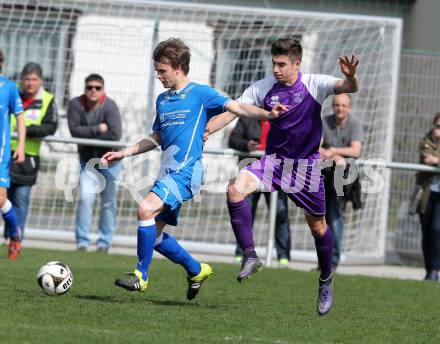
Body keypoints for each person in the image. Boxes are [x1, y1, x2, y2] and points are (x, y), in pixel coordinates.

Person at [101, 38, 287, 300]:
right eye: (157, 70)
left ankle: (141, 276)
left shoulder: (201, 94)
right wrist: (124, 152)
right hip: (167, 174)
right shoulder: (163, 100)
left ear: (178, 67)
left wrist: (268, 114)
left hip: (188, 173)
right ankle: (196, 270)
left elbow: (236, 107)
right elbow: (157, 137)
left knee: (144, 209)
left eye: (162, 70)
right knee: (153, 236)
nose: (159, 76)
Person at [205, 37, 359, 315]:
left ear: (297, 63)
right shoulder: (263, 87)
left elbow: (348, 88)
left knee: (318, 228)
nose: (276, 69)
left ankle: (325, 279)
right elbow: (232, 112)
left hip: (306, 168)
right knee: (234, 189)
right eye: (273, 63)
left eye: (282, 64)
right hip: (273, 163)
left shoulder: (314, 84)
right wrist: (207, 130)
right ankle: (250, 256)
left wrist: (351, 77)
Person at [67, 74, 122, 252]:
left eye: (97, 87)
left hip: (110, 163)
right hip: (87, 162)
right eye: (90, 87)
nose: (93, 90)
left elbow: (115, 134)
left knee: (108, 203)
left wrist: (87, 136)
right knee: (86, 198)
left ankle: (104, 243)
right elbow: (74, 132)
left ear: (102, 90)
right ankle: (82, 242)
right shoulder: (75, 104)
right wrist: (99, 128)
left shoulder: (110, 106)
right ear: (85, 88)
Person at [4, 62, 58, 241]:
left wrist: (26, 129)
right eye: (27, 79)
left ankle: (16, 239)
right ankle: (7, 238)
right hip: (4, 153)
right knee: (4, 200)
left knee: (20, 199)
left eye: (34, 79)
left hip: (28, 158)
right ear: (21, 80)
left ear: (41, 81)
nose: (30, 83)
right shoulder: (11, 94)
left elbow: (51, 127)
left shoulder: (48, 100)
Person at [229, 117, 291, 266]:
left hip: (276, 175)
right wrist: (246, 145)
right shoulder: (247, 117)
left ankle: (283, 256)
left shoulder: (285, 118)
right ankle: (242, 252)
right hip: (250, 173)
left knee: (280, 214)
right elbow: (233, 140)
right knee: (245, 213)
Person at [320, 93, 363, 270]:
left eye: (343, 105)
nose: (340, 108)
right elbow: (317, 146)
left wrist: (332, 152)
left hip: (345, 177)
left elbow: (355, 151)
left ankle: (333, 261)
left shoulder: (355, 124)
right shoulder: (324, 121)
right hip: (324, 174)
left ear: (349, 108)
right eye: (337, 105)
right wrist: (336, 155)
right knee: (321, 218)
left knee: (335, 217)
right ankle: (324, 261)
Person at [0, 48, 26, 259]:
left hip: (1, 153)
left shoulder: (9, 87)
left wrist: (20, 145)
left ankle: (15, 233)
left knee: (0, 200)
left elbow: (19, 117)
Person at [415, 112, 440, 281]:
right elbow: (426, 159)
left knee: (436, 230)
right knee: (426, 232)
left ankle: (435, 269)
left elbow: (433, 160)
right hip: (426, 193)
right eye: (437, 125)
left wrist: (437, 160)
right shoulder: (426, 141)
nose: (438, 129)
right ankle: (429, 270)